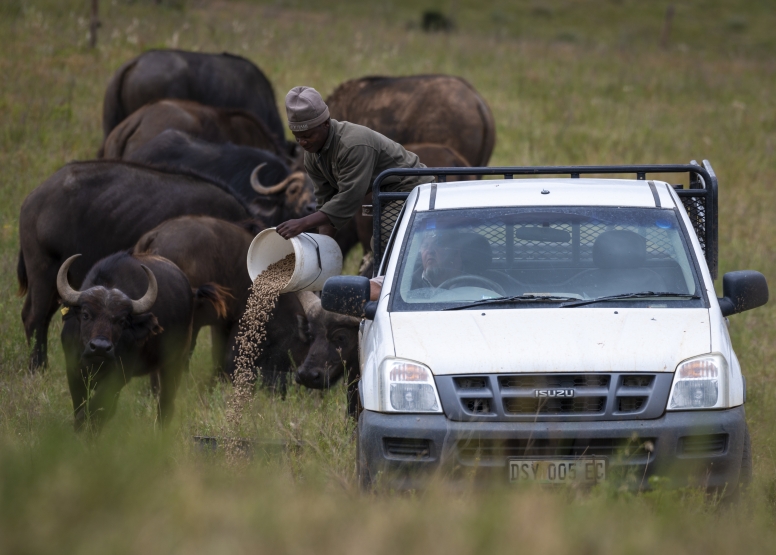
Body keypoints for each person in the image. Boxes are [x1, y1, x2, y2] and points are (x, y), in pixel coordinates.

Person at [275, 86, 432, 242]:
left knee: (387, 239)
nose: (302, 143)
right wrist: (322, 247)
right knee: (380, 245)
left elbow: (349, 199)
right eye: (297, 137)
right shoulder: (312, 154)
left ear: (325, 124)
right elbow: (326, 203)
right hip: (383, 195)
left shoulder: (353, 144)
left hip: (412, 188)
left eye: (308, 136)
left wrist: (303, 223)